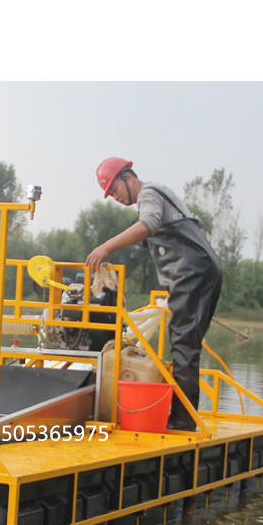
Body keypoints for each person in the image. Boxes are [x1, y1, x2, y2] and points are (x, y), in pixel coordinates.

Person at [86, 158, 222, 430]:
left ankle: (182, 422)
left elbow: (147, 224)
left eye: (115, 189)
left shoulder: (149, 193)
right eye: (110, 194)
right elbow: (197, 228)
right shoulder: (164, 196)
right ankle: (182, 417)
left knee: (184, 344)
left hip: (191, 273)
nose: (115, 197)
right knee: (187, 343)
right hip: (202, 270)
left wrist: (106, 247)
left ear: (128, 176)